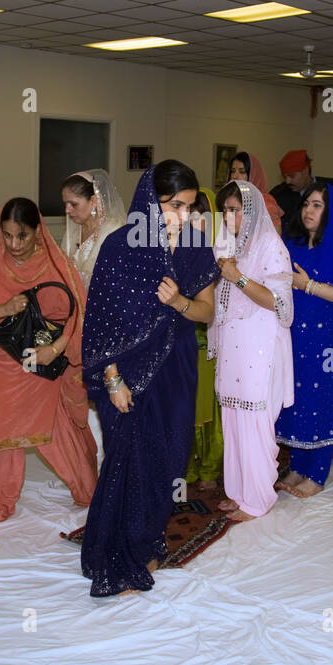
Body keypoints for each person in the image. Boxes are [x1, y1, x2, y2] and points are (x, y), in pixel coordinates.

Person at [81, 162, 219, 596]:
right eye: (173, 204)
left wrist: (178, 301)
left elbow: (208, 311)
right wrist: (113, 380)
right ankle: (117, 552)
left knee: (167, 458)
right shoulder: (120, 247)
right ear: (149, 202)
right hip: (125, 372)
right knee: (128, 458)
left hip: (176, 365)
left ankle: (148, 539)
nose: (182, 215)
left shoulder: (195, 245)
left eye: (190, 206)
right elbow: (101, 324)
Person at [0, 199, 98, 530]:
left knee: (53, 431)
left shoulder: (58, 265)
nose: (14, 245)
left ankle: (89, 492)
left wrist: (57, 349)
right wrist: (4, 308)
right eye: (7, 236)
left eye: (22, 236)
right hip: (1, 361)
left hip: (45, 362)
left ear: (38, 231)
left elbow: (80, 318)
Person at [275, 183, 333, 494]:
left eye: (317, 205)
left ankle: (317, 474)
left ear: (330, 211)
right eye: (306, 204)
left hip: (330, 340)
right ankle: (299, 465)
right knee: (300, 397)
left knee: (324, 397)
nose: (308, 211)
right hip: (296, 336)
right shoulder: (293, 244)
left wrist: (308, 285)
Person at [208, 178, 294, 521]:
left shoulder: (271, 247)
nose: (229, 217)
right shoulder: (228, 246)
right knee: (233, 418)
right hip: (234, 344)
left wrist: (236, 276)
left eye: (235, 210)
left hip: (260, 346)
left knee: (255, 421)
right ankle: (240, 492)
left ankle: (259, 499)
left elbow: (279, 304)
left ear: (252, 211)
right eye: (225, 211)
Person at [187, 187, 224, 490]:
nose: (193, 222)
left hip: (212, 341)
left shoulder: (223, 255)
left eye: (200, 216)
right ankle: (184, 470)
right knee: (182, 404)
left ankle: (210, 468)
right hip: (182, 342)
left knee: (210, 404)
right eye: (187, 215)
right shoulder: (175, 251)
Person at [60, 168, 127, 286]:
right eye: (65, 204)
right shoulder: (73, 232)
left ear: (93, 201)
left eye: (73, 204)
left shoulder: (114, 230)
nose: (67, 210)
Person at [228, 151, 283, 232]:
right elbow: (224, 236)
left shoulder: (265, 202)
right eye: (233, 171)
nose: (235, 176)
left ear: (254, 175)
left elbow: (276, 238)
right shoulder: (229, 200)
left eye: (242, 172)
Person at [269, 149, 323, 228]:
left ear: (305, 171)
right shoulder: (279, 195)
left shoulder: (327, 191)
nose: (287, 181)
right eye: (285, 177)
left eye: (292, 176)